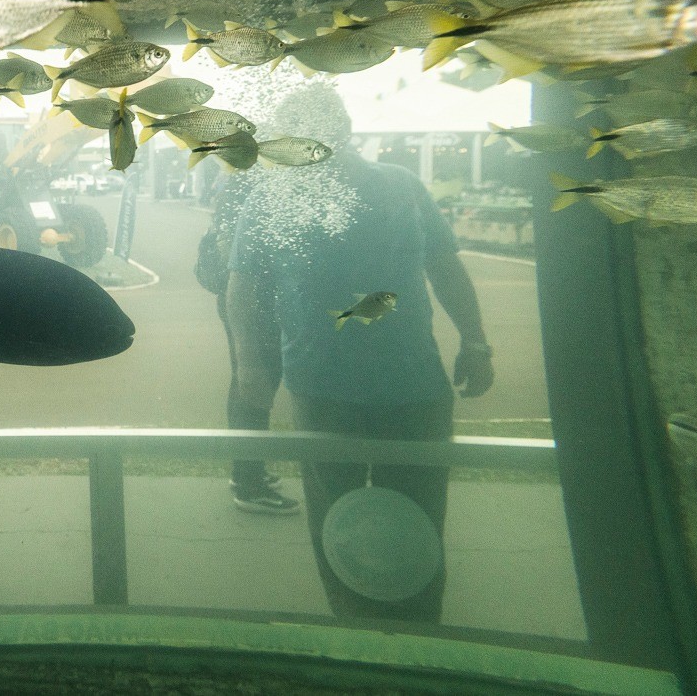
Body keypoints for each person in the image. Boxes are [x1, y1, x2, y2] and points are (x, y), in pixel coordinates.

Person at [225, 84, 494, 623]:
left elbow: (242, 291)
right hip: (398, 388)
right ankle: (415, 625)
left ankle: (362, 628)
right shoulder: (388, 188)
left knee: (339, 522)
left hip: (343, 389)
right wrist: (475, 341)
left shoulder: (390, 187)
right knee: (415, 518)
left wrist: (253, 367)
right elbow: (447, 270)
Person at [198, 173, 298, 514]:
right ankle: (249, 483)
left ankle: (247, 470)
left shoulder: (240, 182)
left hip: (242, 297)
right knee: (255, 382)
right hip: (250, 300)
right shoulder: (256, 187)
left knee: (245, 380)